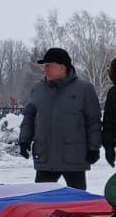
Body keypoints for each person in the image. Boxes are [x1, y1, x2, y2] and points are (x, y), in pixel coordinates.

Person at [20, 47, 101, 188]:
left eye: (49, 66)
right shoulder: (38, 90)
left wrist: (94, 147)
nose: (45, 69)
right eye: (45, 66)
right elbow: (29, 118)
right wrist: (24, 140)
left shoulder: (84, 90)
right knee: (42, 200)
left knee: (77, 202)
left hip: (74, 158)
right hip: (45, 158)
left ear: (63, 67)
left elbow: (93, 121)